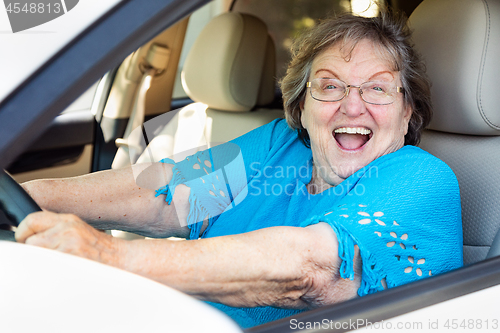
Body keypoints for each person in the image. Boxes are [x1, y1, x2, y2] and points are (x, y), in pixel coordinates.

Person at [16, 12, 462, 328]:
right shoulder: (281, 145)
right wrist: (33, 196)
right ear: (302, 105)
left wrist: (106, 256)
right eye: (329, 85)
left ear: (408, 110)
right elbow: (167, 194)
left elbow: (310, 269)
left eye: (378, 89)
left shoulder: (422, 178)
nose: (351, 105)